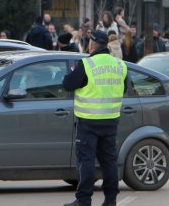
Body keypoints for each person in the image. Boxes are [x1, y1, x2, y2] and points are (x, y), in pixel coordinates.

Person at [62, 30, 127, 206]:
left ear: (91, 45)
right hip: (111, 120)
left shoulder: (86, 64)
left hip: (88, 121)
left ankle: (83, 200)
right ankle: (111, 200)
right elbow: (126, 87)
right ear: (106, 45)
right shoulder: (120, 65)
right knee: (109, 161)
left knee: (86, 160)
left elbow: (67, 84)